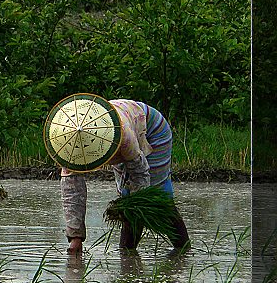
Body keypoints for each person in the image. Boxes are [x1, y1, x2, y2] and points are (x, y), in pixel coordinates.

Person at [47, 95, 190, 254]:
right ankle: (128, 256)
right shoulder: (67, 147)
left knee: (153, 194)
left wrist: (134, 206)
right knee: (125, 192)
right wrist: (75, 237)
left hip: (151, 129)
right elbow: (72, 193)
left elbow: (140, 174)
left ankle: (180, 248)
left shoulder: (122, 136)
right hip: (123, 130)